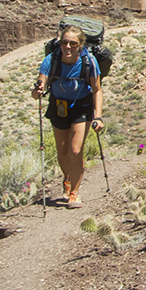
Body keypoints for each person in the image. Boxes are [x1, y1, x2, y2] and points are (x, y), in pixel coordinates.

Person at [32, 25, 103, 208]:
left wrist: (98, 116)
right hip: (59, 106)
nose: (68, 46)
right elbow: (37, 90)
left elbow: (97, 90)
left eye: (73, 43)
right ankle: (67, 178)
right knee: (62, 153)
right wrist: (37, 91)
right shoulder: (51, 60)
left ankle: (74, 193)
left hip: (82, 107)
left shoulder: (90, 61)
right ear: (60, 43)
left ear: (80, 45)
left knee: (75, 150)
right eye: (65, 42)